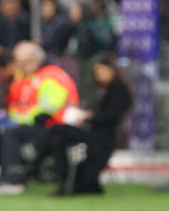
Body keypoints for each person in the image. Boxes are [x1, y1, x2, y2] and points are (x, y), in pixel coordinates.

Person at [0, 41, 79, 195]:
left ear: (33, 61)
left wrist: (18, 121)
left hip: (54, 127)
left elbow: (46, 110)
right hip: (39, 125)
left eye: (20, 62)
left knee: (9, 134)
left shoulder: (51, 76)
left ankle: (12, 181)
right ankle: (17, 175)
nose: (17, 66)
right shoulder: (30, 76)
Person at [47, 53, 133, 195]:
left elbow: (110, 116)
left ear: (112, 70)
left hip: (101, 136)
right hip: (95, 133)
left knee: (58, 132)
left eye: (101, 71)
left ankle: (62, 176)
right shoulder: (105, 89)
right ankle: (63, 176)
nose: (98, 75)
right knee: (58, 133)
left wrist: (88, 117)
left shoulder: (118, 89)